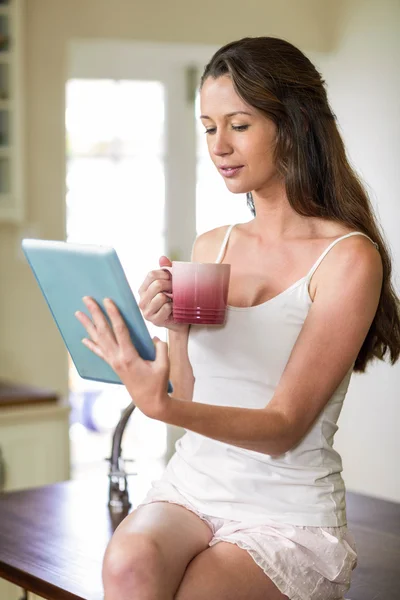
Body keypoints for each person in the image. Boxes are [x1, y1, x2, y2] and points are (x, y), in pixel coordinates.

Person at [76, 36, 400, 600]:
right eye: (208, 127)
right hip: (192, 487)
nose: (219, 145)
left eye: (239, 124)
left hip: (285, 510)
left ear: (293, 124)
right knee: (126, 564)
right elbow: (196, 387)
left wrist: (164, 406)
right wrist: (175, 330)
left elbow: (283, 427)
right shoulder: (213, 246)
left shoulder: (349, 258)